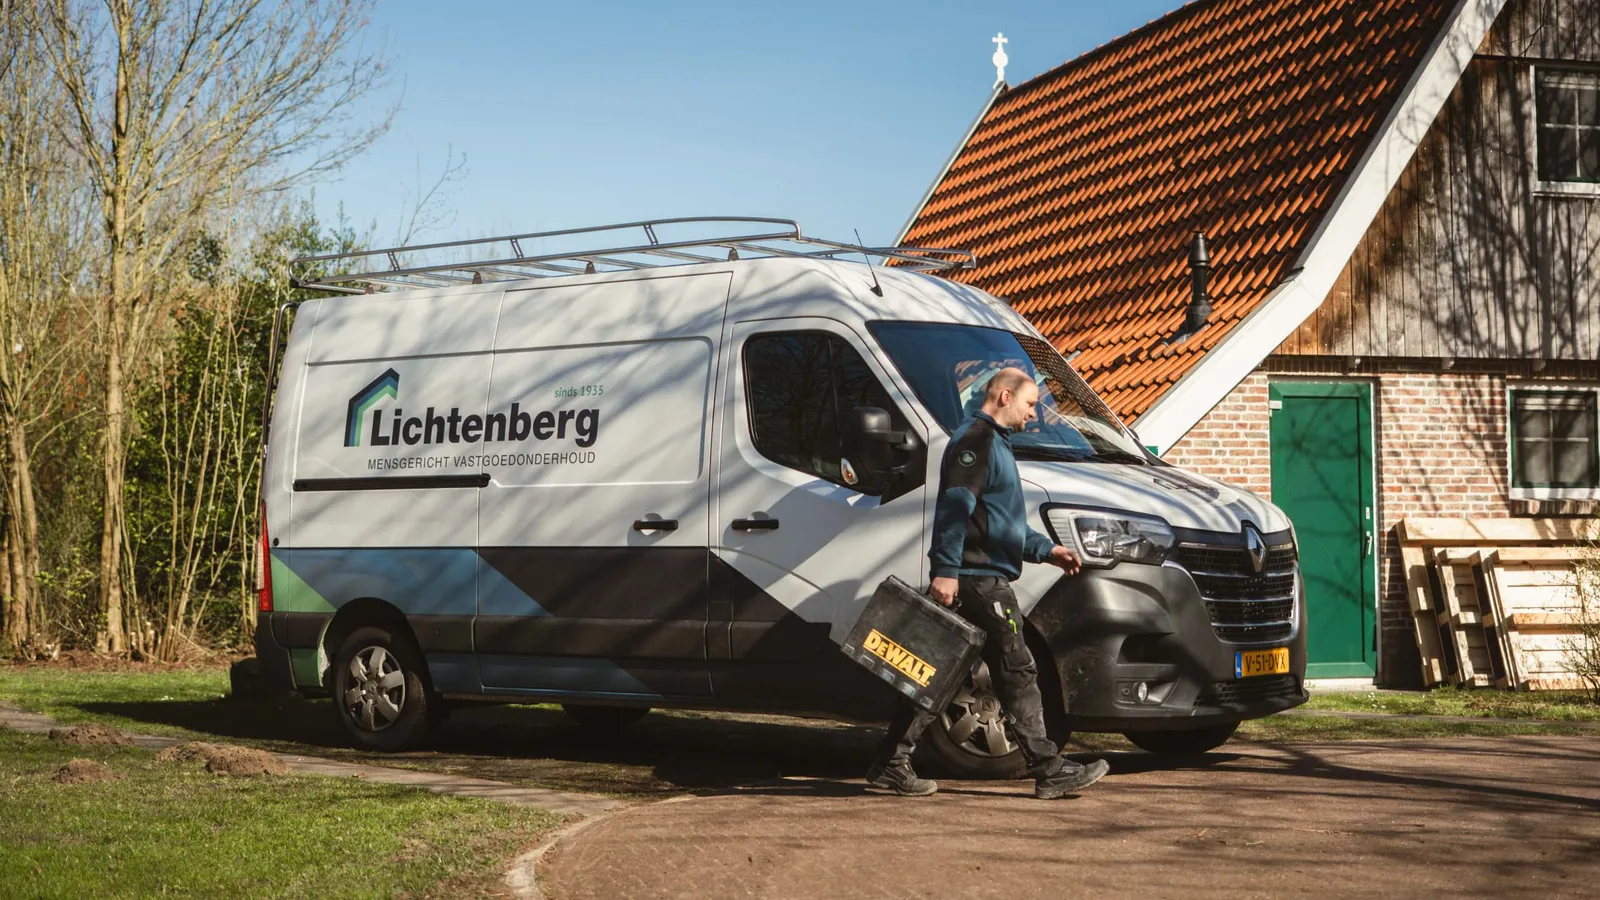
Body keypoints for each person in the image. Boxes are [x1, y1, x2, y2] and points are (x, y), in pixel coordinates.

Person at [865, 367, 1111, 799]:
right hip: (977, 580)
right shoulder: (976, 442)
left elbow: (999, 524)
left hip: (977, 575)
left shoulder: (992, 444)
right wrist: (945, 570)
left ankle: (890, 762)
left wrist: (1045, 550)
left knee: (938, 669)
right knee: (1017, 668)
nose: (1034, 414)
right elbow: (957, 508)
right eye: (1030, 404)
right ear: (1003, 396)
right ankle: (1049, 769)